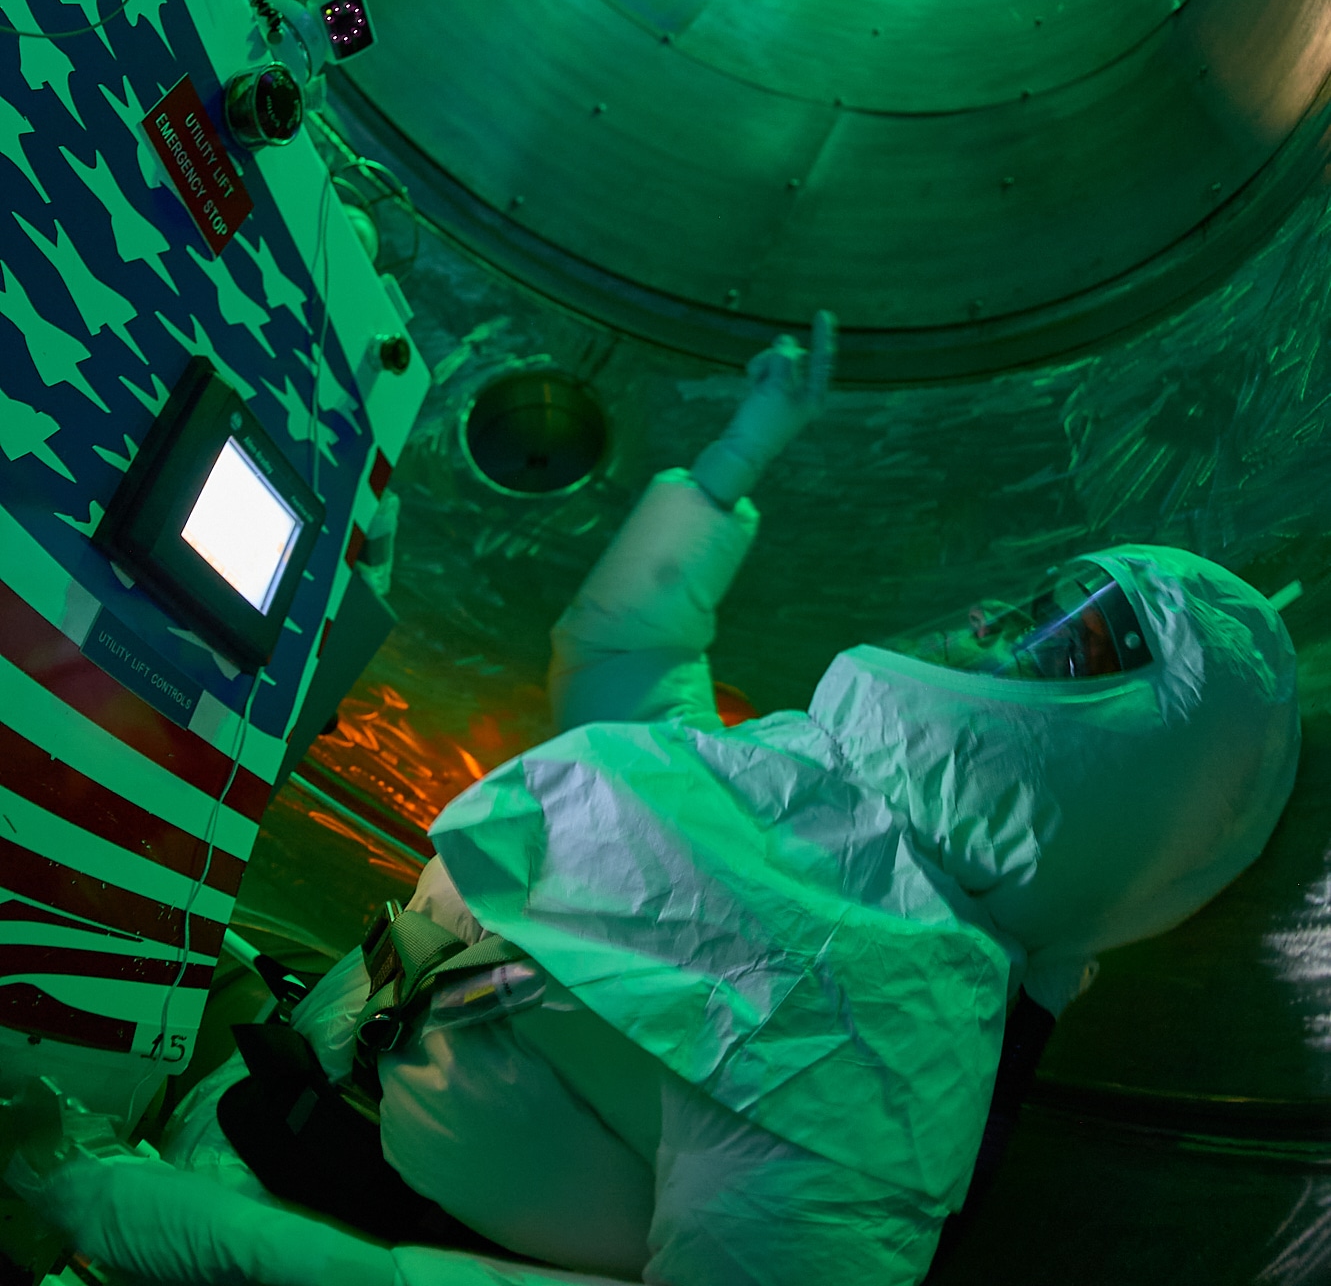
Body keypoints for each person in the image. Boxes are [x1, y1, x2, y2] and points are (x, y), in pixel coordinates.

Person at [0, 313, 1301, 1286]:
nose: (1003, 626)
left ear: (1117, 787)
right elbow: (623, 663)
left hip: (240, 1233)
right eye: (1044, 600)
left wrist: (117, 1213)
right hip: (229, 1104)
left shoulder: (884, 1072)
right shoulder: (803, 789)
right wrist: (733, 463)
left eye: (1067, 646)